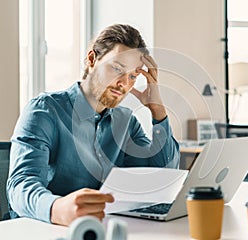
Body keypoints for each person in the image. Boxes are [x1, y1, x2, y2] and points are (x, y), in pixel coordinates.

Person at [6, 24, 180, 226]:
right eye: (117, 68)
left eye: (133, 76)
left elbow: (161, 177)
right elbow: (20, 187)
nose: (124, 83)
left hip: (102, 229)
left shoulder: (127, 122)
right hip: (43, 229)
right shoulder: (44, 111)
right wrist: (58, 208)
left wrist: (157, 111)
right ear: (92, 59)